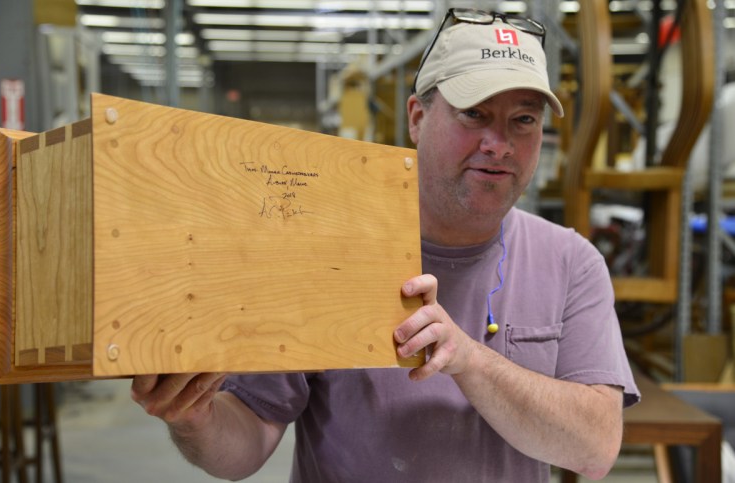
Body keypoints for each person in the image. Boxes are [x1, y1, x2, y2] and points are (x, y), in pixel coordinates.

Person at [131, 9, 640, 482]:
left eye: (523, 120)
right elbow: (247, 441)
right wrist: (195, 418)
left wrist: (469, 358)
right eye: (474, 114)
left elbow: (595, 447)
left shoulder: (571, 262)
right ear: (417, 118)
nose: (499, 143)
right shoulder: (328, 250)